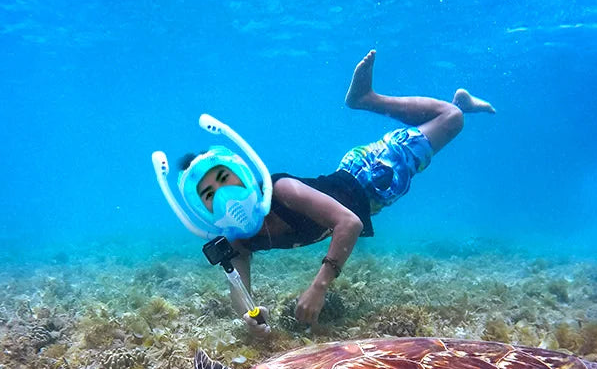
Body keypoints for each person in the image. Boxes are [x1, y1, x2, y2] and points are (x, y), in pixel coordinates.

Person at [178, 49, 495, 333]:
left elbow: (349, 223)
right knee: (443, 123)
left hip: (373, 175)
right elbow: (240, 292)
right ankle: (460, 103)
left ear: (242, 174)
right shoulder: (238, 238)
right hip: (355, 183)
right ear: (202, 208)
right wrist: (251, 317)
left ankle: (367, 99)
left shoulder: (281, 191)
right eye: (210, 195)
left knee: (451, 121)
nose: (225, 197)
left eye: (225, 179)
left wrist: (319, 287)